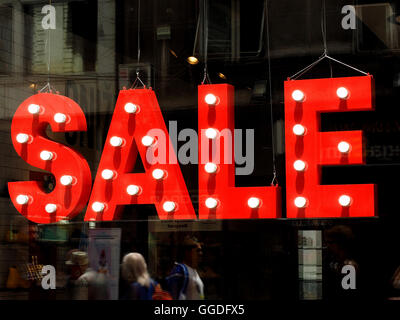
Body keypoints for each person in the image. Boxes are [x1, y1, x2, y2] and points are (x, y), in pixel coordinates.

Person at [166, 235, 204, 300]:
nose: (201, 253)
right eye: (197, 251)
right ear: (188, 252)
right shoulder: (180, 270)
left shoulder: (194, 271)